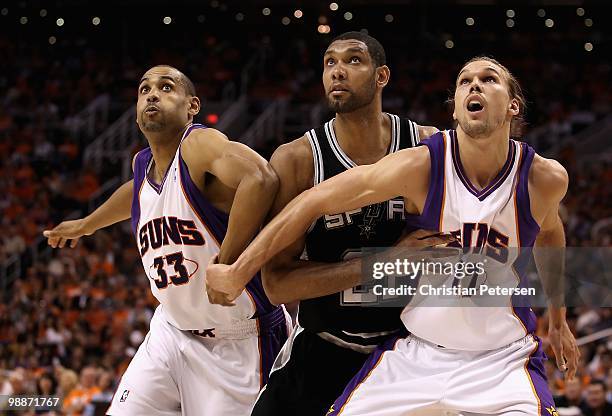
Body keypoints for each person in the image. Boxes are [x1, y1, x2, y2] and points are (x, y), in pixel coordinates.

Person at [206, 56, 580, 415]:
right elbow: (312, 201)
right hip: (420, 353)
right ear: (454, 109)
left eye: (488, 79)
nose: (474, 86)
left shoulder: (543, 179)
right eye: (465, 81)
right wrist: (240, 268)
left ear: (513, 106)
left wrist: (559, 320)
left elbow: (551, 232)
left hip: (503, 357)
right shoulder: (422, 166)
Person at [209, 31, 446, 416]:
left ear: (381, 76)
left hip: (409, 352)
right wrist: (380, 264)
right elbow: (277, 285)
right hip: (323, 349)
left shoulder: (424, 146)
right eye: (329, 63)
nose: (337, 71)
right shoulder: (298, 160)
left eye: (353, 61)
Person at [43, 65, 289, 415]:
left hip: (239, 340)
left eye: (166, 87)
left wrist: (229, 265)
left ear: (192, 105)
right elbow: (135, 191)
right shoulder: (143, 165)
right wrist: (87, 224)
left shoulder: (198, 144)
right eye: (144, 90)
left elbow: (260, 177)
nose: (152, 94)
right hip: (171, 332)